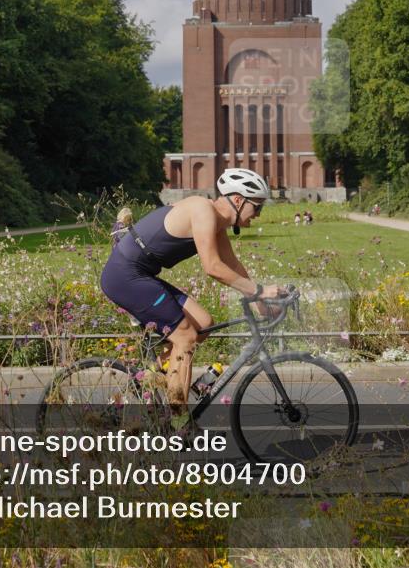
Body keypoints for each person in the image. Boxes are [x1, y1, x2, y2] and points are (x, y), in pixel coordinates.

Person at [100, 168, 282, 422]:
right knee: (185, 336)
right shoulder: (203, 211)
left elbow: (234, 266)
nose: (258, 214)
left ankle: (156, 374)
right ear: (239, 200)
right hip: (125, 276)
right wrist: (261, 290)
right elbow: (213, 267)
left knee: (203, 325)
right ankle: (178, 422)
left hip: (139, 274)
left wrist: (259, 301)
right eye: (258, 207)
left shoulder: (216, 222)